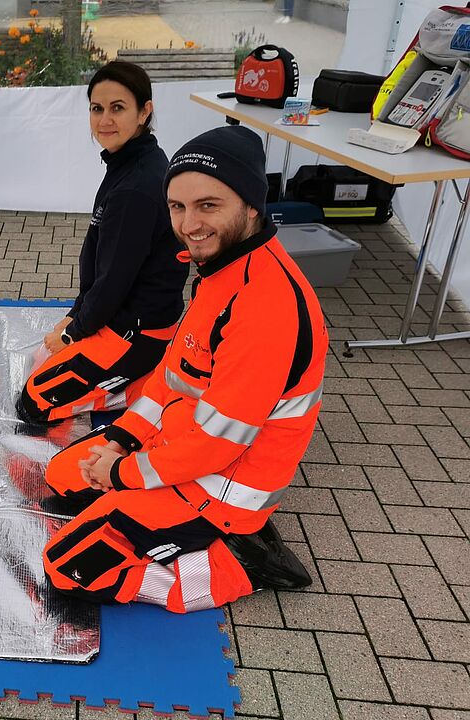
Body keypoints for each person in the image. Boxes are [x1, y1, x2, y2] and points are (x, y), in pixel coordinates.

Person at [40, 126, 327, 612]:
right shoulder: (222, 270)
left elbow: (219, 444)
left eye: (208, 206)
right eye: (177, 207)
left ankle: (241, 563)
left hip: (224, 486)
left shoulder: (265, 305)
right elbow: (170, 379)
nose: (189, 223)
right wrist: (121, 439)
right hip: (184, 447)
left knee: (69, 566)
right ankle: (149, 513)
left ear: (252, 206)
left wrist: (124, 473)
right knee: (64, 477)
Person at [18, 61, 188, 424]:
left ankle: (142, 390)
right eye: (97, 109)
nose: (104, 120)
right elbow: (102, 270)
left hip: (138, 332)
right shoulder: (128, 164)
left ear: (145, 111)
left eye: (118, 108)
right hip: (124, 316)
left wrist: (73, 333)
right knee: (41, 361)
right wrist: (74, 316)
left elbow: (112, 282)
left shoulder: (136, 188)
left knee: (34, 404)